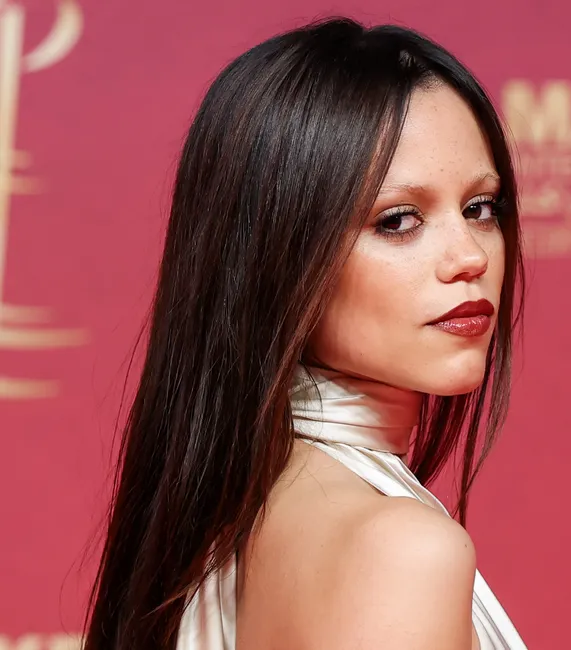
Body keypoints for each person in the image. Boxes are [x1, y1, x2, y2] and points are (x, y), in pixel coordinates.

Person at [83, 17, 527, 650]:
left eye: (480, 208)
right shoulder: (402, 552)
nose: (470, 256)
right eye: (398, 220)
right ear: (277, 255)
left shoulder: (229, 520)